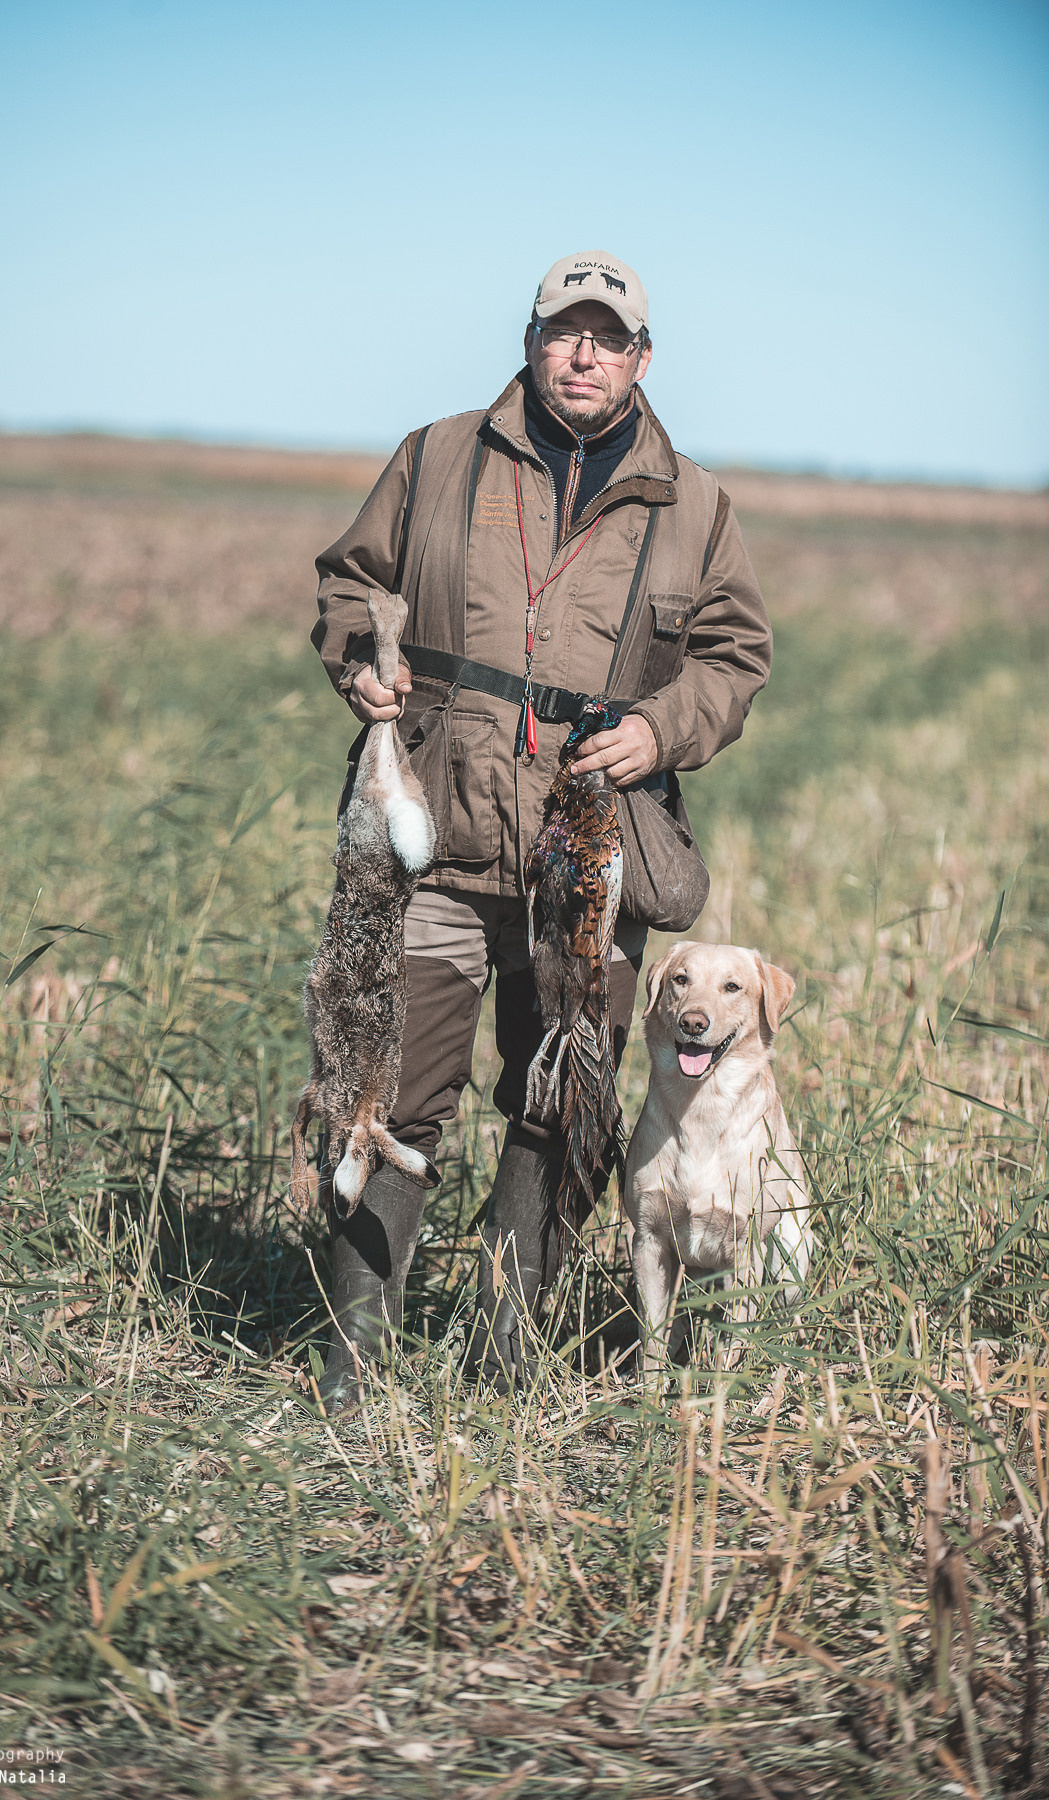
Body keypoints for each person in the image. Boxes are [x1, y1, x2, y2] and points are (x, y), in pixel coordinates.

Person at [311, 250, 772, 1402]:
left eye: (608, 338)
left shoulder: (695, 505)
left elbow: (733, 657)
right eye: (565, 331)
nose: (584, 353)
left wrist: (661, 733)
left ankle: (503, 1361)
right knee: (385, 1091)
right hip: (432, 840)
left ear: (640, 360)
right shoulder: (438, 456)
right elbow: (349, 585)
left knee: (561, 1094)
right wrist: (364, 666)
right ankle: (353, 1367)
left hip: (589, 852)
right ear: (529, 340)